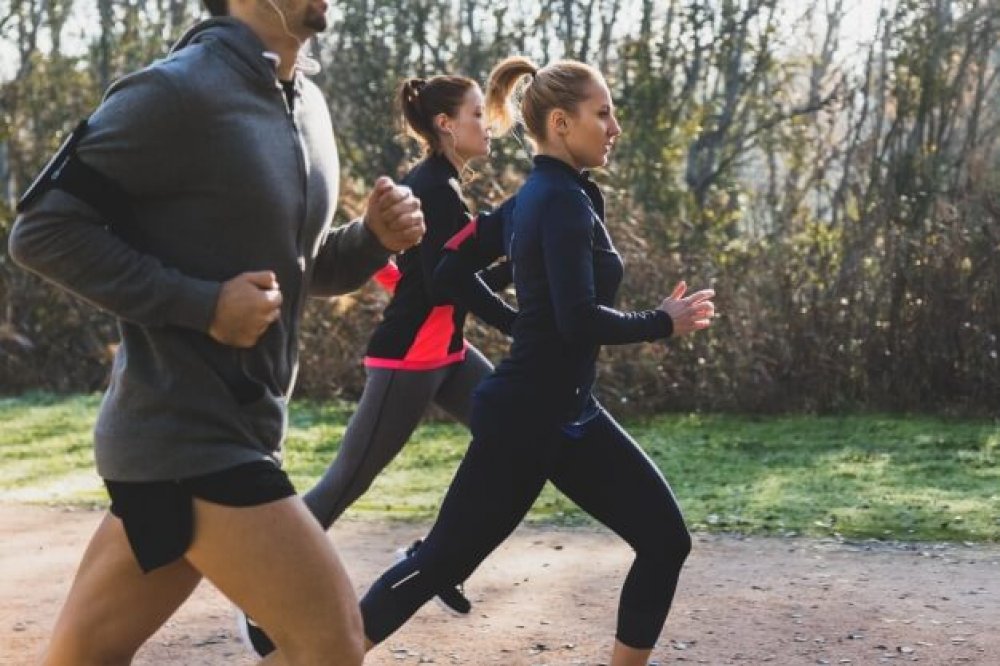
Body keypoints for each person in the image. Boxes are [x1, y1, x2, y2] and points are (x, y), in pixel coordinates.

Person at [7, 1, 425, 664]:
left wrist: (371, 240)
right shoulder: (176, 91)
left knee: (82, 656)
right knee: (332, 644)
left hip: (214, 435)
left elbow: (293, 271)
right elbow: (41, 231)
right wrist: (201, 305)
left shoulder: (305, 103)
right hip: (191, 435)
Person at [358, 55, 716, 666]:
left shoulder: (543, 199)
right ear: (560, 121)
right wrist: (662, 323)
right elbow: (576, 319)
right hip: (525, 422)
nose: (614, 127)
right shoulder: (557, 201)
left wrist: (518, 296)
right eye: (603, 113)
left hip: (569, 416)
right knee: (437, 564)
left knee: (663, 539)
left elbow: (452, 267)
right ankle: (314, 652)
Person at [237, 72, 519, 656]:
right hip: (409, 361)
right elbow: (450, 286)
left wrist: (510, 260)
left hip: (448, 351)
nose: (485, 125)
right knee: (346, 482)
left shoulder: (442, 185)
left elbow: (414, 272)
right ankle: (258, 598)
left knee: (515, 436)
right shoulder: (431, 188)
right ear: (446, 124)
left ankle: (434, 558)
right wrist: (516, 277)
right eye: (474, 114)